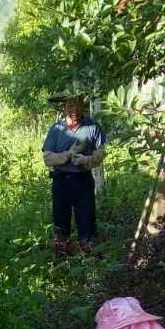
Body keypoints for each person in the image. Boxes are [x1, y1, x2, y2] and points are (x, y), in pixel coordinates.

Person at [42, 94, 106, 254]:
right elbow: (48, 159)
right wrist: (67, 155)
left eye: (78, 106)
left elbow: (100, 155)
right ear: (64, 108)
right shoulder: (56, 129)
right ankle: (63, 262)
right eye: (70, 106)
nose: (74, 110)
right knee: (61, 228)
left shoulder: (93, 127)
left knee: (87, 226)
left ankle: (89, 263)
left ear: (83, 107)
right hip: (61, 183)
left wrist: (86, 159)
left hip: (83, 183)